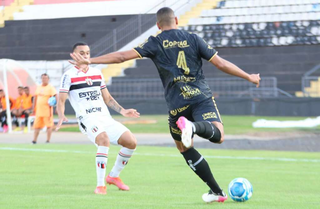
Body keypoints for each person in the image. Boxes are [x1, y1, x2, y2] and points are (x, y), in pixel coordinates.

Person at [70, 7, 261, 203]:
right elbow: (220, 64)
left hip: (177, 105)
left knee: (185, 149)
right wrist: (249, 76)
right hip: (201, 97)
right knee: (218, 135)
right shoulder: (193, 38)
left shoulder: (155, 41)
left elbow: (121, 57)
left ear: (158, 25)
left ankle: (217, 192)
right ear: (176, 20)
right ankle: (194, 127)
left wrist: (90, 60)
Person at [56, 42, 140, 195]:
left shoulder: (96, 72)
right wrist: (61, 115)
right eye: (81, 53)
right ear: (73, 55)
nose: (85, 55)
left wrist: (123, 111)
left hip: (104, 117)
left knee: (131, 142)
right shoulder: (68, 75)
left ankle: (113, 176)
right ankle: (100, 186)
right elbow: (61, 100)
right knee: (103, 139)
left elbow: (107, 98)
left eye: (87, 52)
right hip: (87, 118)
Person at [32, 73, 57, 144]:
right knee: (36, 126)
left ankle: (48, 140)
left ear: (48, 79)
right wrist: (33, 108)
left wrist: (56, 105)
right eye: (43, 78)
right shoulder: (39, 87)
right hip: (38, 111)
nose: (44, 79)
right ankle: (34, 140)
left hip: (47, 111)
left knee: (49, 126)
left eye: (45, 78)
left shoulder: (50, 88)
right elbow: (35, 97)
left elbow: (55, 96)